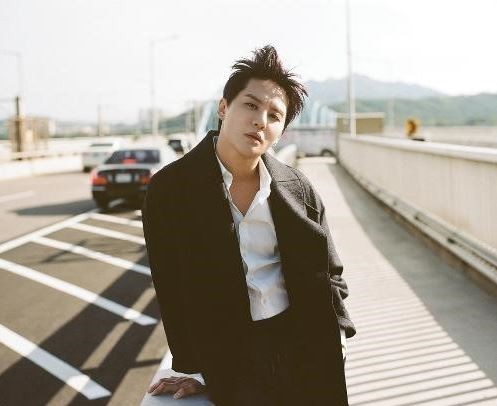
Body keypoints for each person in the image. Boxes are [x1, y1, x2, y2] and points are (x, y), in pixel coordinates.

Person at [142, 45, 356, 405]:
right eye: (251, 105)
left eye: (274, 115)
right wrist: (195, 367)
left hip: (303, 344)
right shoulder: (170, 189)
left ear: (281, 132)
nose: (260, 121)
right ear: (224, 108)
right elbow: (170, 284)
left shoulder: (297, 187)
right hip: (230, 354)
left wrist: (337, 335)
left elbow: (331, 271)